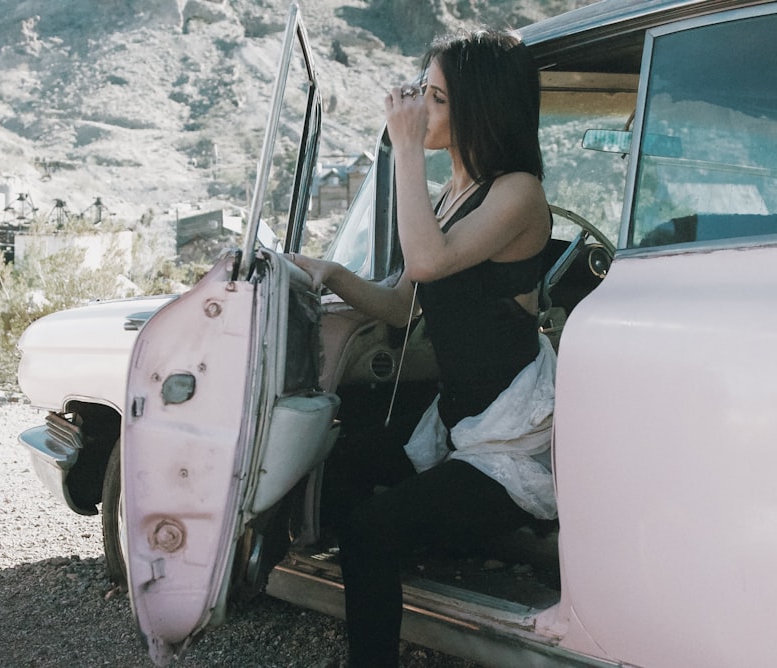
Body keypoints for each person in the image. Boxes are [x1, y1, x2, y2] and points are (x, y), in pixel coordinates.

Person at [290, 27, 556, 667]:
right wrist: (333, 274)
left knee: (370, 532)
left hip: (513, 431)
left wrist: (405, 148)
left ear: (478, 106)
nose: (420, 110)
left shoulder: (518, 192)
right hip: (459, 416)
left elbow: (429, 262)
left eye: (435, 98)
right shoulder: (451, 195)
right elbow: (407, 304)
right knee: (342, 467)